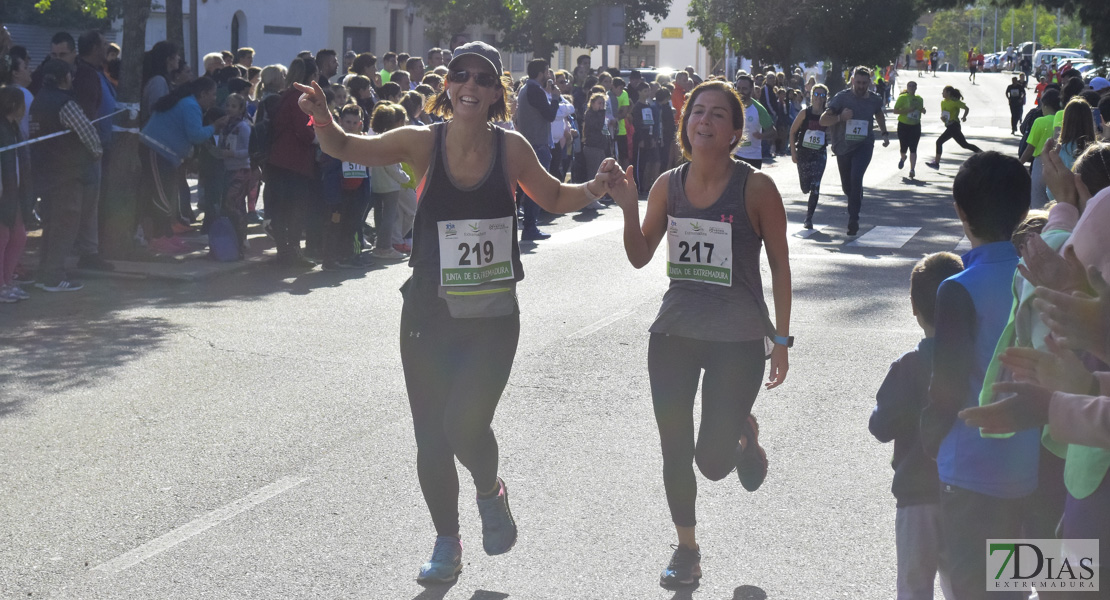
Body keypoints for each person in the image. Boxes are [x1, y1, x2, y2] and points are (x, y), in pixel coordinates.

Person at [292, 40, 623, 583]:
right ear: (448, 86)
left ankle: (490, 491)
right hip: (428, 313)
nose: (469, 85)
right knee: (431, 436)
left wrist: (596, 186)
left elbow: (555, 196)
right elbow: (347, 145)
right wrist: (323, 119)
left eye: (482, 78)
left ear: (496, 92)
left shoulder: (511, 149)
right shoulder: (423, 142)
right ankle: (448, 541)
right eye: (460, 75)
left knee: (465, 423)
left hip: (492, 318)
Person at [609, 80, 791, 589]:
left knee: (711, 463)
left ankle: (739, 434)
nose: (704, 121)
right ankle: (687, 549)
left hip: (737, 336)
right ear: (685, 124)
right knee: (674, 446)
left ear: (736, 131)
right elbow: (641, 255)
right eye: (696, 112)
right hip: (675, 332)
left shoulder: (755, 188)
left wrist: (781, 338)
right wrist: (628, 206)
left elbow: (779, 264)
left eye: (717, 115)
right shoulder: (669, 184)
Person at [919, 151, 1036, 600]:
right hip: (1028, 463)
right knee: (1013, 585)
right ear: (1023, 211)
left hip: (969, 469)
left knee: (970, 588)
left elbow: (946, 383)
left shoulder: (958, 288)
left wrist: (930, 436)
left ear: (961, 212)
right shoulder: (1037, 276)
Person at [869, 252, 962, 600]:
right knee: (962, 586)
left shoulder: (908, 366)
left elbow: (880, 426)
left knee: (913, 586)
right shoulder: (974, 361)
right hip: (963, 493)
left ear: (913, 306)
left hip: (915, 494)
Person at [28, 59, 104, 291]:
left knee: (51, 224)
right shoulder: (66, 103)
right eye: (70, 75)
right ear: (65, 78)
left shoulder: (37, 102)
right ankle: (54, 276)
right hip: (69, 174)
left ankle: (44, 273)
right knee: (66, 224)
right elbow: (88, 132)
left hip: (45, 173)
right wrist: (96, 154)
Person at [820, 66, 890, 236]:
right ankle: (855, 198)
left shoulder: (874, 99)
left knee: (856, 177)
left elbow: (879, 114)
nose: (861, 86)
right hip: (843, 147)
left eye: (864, 83)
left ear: (869, 83)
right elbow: (823, 120)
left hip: (864, 145)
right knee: (848, 186)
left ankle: (853, 219)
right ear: (852, 81)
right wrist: (839, 118)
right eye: (858, 82)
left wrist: (884, 133)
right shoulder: (842, 98)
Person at [266, 57, 320, 267]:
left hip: (280, 160)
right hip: (293, 161)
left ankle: (284, 252)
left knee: (283, 209)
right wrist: (320, 140)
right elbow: (303, 130)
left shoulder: (288, 95)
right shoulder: (300, 97)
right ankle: (292, 252)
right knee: (295, 208)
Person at [318, 104, 372, 269]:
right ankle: (330, 259)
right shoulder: (332, 142)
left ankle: (352, 255)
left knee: (354, 224)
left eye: (355, 122)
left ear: (360, 124)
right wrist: (339, 160)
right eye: (347, 122)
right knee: (335, 224)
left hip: (357, 192)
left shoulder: (363, 142)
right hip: (338, 193)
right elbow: (324, 165)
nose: (351, 125)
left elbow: (368, 165)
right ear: (340, 121)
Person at [514, 58, 562, 241]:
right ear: (541, 73)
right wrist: (555, 98)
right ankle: (530, 227)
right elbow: (549, 115)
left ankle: (525, 225)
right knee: (535, 187)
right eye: (548, 72)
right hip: (536, 145)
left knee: (524, 188)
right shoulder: (535, 90)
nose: (549, 75)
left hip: (529, 143)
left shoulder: (526, 89)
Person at [0, 86, 32, 302]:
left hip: (14, 191)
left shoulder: (14, 128)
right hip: (3, 191)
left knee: (19, 235)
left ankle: (8, 280)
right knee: (2, 238)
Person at [368, 102, 409, 259]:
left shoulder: (374, 137)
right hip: (390, 185)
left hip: (377, 183)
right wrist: (404, 178)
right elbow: (392, 167)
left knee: (379, 215)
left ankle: (380, 244)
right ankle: (385, 247)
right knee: (389, 217)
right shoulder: (388, 139)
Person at [788, 83, 829, 228]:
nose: (819, 98)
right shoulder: (805, 113)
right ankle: (807, 189)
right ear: (811, 97)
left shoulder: (828, 114)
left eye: (822, 95)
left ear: (825, 98)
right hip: (804, 153)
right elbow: (792, 132)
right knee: (805, 187)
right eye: (816, 95)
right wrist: (793, 152)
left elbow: (836, 128)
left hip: (819, 154)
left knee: (815, 186)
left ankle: (808, 218)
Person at [1019, 89, 1062, 208]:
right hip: (1059, 162)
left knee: (1037, 201)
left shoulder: (1040, 121)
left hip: (1040, 163)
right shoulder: (1062, 119)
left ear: (1045, 105)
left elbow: (1030, 148)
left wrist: (1019, 163)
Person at [925, 86, 981, 170]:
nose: (942, 93)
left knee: (939, 142)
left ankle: (936, 163)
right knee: (964, 144)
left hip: (954, 126)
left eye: (943, 92)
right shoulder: (943, 102)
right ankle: (982, 153)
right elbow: (944, 115)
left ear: (948, 93)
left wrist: (964, 117)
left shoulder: (955, 102)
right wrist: (943, 119)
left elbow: (966, 108)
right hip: (949, 126)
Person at [731, 73, 772, 170]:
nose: (741, 91)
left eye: (744, 89)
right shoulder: (730, 106)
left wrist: (762, 136)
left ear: (751, 90)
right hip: (734, 154)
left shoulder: (758, 109)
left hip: (753, 157)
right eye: (738, 88)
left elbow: (773, 132)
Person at [892, 81, 925, 180]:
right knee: (903, 147)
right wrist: (907, 111)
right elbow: (895, 111)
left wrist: (923, 110)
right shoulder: (902, 97)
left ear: (916, 88)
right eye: (909, 86)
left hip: (915, 125)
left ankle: (912, 170)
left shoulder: (919, 99)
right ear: (907, 87)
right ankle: (903, 157)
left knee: (913, 148)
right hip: (903, 125)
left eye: (913, 86)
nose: (911, 87)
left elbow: (920, 109)